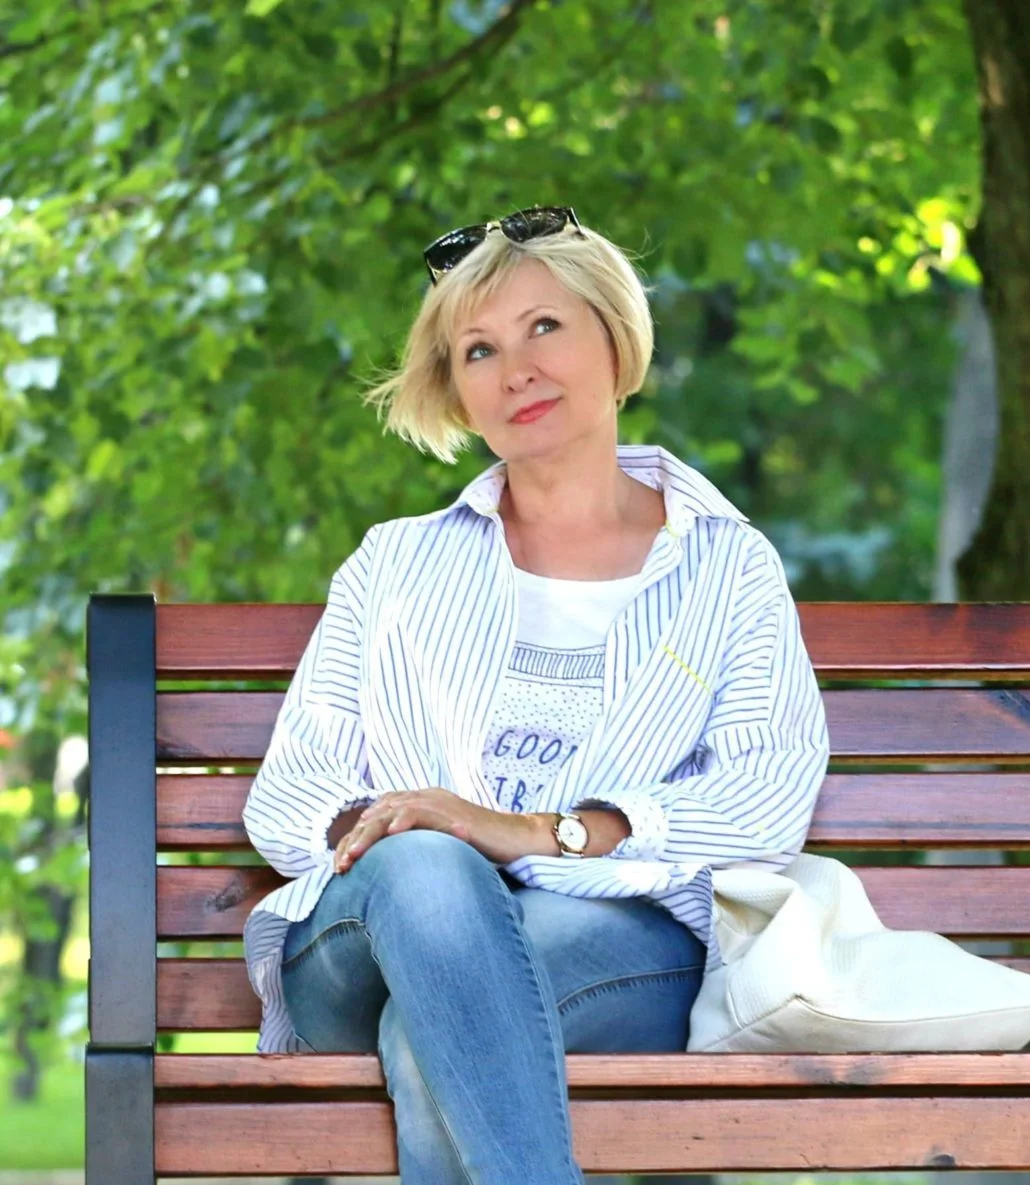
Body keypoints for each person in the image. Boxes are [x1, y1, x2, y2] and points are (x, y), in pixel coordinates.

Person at [239, 206, 831, 1184]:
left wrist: (544, 832)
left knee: (432, 1028)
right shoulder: (395, 564)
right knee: (428, 872)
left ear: (615, 336)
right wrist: (417, 831)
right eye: (478, 349)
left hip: (611, 937)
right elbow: (292, 789)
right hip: (367, 938)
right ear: (457, 392)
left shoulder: (727, 568)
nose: (515, 369)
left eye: (543, 327)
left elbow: (764, 795)